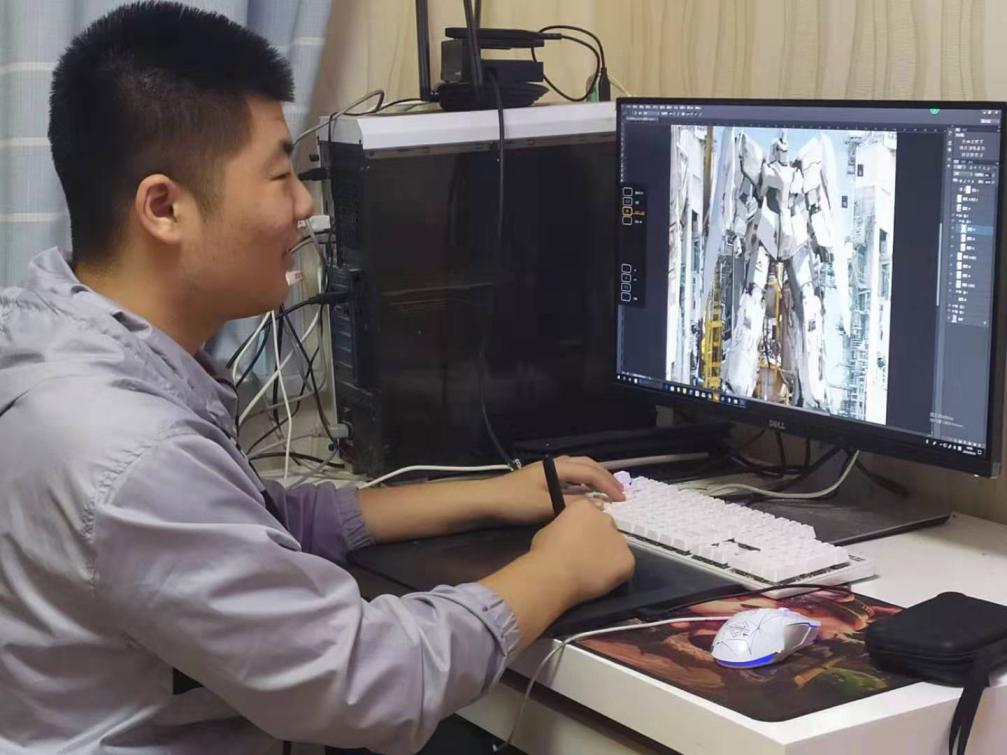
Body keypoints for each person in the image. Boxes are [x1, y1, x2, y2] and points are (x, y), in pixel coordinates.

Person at [0, 3, 635, 754]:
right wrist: (558, 568)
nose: (305, 205)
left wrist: (491, 493)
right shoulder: (130, 450)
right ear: (164, 207)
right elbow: (365, 682)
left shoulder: (54, 336)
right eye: (280, 175)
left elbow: (255, 521)